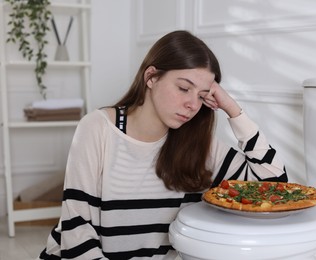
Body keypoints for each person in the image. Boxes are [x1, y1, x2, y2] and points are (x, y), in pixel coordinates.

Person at [38, 30, 287, 260]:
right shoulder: (97, 128)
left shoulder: (198, 145)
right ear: (151, 77)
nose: (192, 104)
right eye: (183, 88)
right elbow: (76, 229)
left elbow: (274, 186)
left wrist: (232, 109)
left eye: (201, 96)